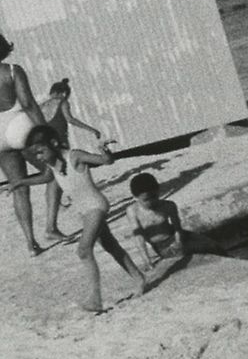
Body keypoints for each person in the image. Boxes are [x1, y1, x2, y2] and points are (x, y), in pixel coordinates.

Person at [17, 127, 165, 312]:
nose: (39, 157)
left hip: (96, 206)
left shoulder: (75, 156)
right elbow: (46, 178)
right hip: (85, 211)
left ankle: (95, 299)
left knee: (84, 250)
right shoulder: (52, 165)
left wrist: (104, 151)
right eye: (36, 154)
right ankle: (139, 278)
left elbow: (106, 161)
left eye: (41, 151)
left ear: (54, 143)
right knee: (111, 246)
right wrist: (19, 183)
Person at [0, 27, 61, 255]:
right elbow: (27, 103)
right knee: (54, 172)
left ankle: (30, 243)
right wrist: (46, 130)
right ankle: (51, 226)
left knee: (19, 187)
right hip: (20, 125)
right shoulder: (13, 71)